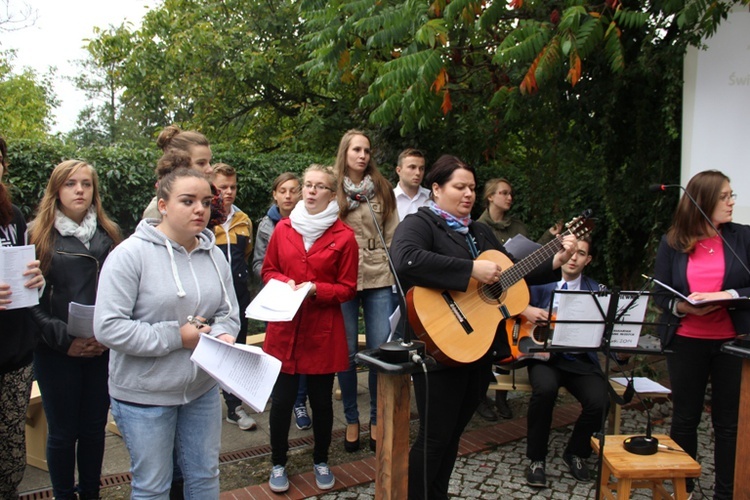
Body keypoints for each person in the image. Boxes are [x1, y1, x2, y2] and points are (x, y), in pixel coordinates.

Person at [390, 154, 577, 499]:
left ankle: (439, 494)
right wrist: (470, 271)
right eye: (459, 187)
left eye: (473, 188)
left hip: (476, 346)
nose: (468, 194)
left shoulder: (479, 230)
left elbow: (511, 272)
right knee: (434, 435)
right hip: (437, 344)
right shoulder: (421, 224)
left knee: (452, 434)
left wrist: (555, 260)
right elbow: (405, 260)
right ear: (436, 189)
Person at [94, 168, 240, 499]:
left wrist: (223, 335)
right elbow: (107, 327)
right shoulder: (130, 255)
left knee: (205, 476)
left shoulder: (214, 253)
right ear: (162, 205)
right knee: (153, 486)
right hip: (144, 395)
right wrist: (178, 336)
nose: (199, 209)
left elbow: (228, 312)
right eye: (187, 201)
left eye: (205, 201)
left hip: (201, 389)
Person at [27, 160, 122, 500]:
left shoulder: (109, 236)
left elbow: (122, 294)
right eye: (70, 184)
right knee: (63, 433)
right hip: (56, 351)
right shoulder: (36, 235)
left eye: (86, 184)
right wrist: (65, 340)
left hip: (99, 348)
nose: (79, 190)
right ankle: (64, 495)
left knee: (94, 430)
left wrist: (105, 337)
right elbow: (29, 305)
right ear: (56, 190)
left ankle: (92, 494)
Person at [261, 164, 358, 493]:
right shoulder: (283, 229)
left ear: (332, 194)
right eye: (308, 185)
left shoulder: (344, 237)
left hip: (321, 331)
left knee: (321, 402)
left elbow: (347, 288)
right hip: (285, 328)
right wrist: (284, 281)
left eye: (320, 186)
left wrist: (317, 289)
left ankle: (320, 459)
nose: (311, 191)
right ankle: (277, 462)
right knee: (283, 401)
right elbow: (268, 270)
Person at [654, 170, 749, 500]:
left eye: (731, 195)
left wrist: (731, 296)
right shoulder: (672, 242)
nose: (732, 202)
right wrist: (684, 309)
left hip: (733, 343)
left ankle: (727, 493)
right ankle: (685, 489)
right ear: (703, 200)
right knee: (684, 418)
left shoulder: (743, 238)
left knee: (728, 424)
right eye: (725, 196)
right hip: (686, 341)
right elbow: (660, 295)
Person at [519, 236, 608, 487]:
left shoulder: (596, 291)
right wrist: (527, 310)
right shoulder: (539, 284)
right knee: (544, 391)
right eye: (570, 252)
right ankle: (536, 459)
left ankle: (577, 452)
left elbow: (605, 335)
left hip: (579, 360)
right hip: (545, 358)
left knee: (600, 400)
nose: (574, 258)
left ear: (587, 260)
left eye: (581, 253)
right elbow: (509, 302)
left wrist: (620, 354)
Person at [475, 177, 562, 422]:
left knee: (508, 347)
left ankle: (502, 397)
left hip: (514, 293)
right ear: (490, 197)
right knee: (487, 348)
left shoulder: (519, 226)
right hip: (487, 297)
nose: (509, 197)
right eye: (503, 193)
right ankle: (481, 398)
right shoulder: (478, 227)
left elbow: (531, 257)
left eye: (510, 193)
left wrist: (549, 238)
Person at [334, 129, 400, 453]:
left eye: (367, 150)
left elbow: (394, 235)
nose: (363, 155)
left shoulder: (383, 189)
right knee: (345, 354)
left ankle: (376, 418)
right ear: (345, 153)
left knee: (378, 351)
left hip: (377, 276)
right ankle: (351, 419)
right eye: (356, 149)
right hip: (343, 277)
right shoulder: (334, 192)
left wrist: (391, 269)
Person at [0, 136, 45, 499]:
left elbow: (19, 272)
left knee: (11, 445)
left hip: (14, 350)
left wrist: (36, 281)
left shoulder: (12, 216)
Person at [251, 173, 314, 430]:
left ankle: (300, 402)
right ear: (274, 195)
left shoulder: (310, 221)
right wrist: (280, 282)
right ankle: (280, 400)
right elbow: (258, 263)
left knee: (303, 356)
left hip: (307, 298)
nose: (288, 196)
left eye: (293, 190)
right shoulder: (266, 226)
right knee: (279, 355)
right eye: (283, 191)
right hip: (278, 299)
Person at [211, 163, 257, 431]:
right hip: (211, 295)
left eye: (232, 187)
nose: (228, 192)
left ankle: (234, 406)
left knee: (237, 347)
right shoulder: (204, 219)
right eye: (222, 187)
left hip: (238, 293)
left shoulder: (244, 220)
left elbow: (246, 254)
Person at [143, 125, 216, 220]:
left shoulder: (215, 207)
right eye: (201, 163)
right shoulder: (156, 211)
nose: (210, 169)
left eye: (209, 162)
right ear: (179, 164)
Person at [393, 148, 430, 220]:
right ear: (399, 170)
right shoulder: (388, 199)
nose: (418, 173)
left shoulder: (431, 198)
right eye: (412, 167)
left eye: (421, 168)